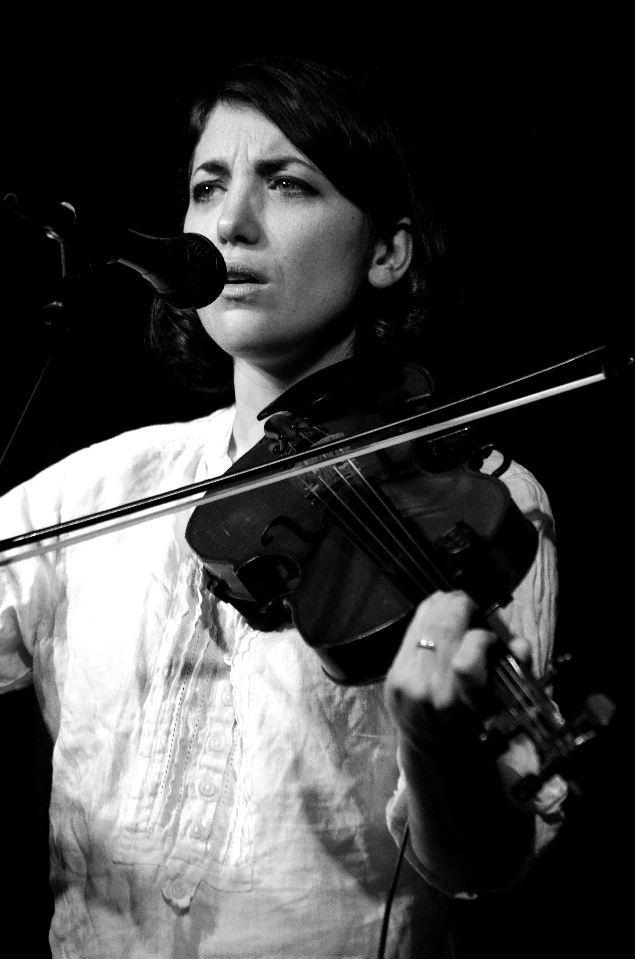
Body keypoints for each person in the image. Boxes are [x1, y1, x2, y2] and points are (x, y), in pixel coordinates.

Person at [0, 56, 565, 959]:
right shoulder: (96, 489)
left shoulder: (477, 498)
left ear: (385, 251)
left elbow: (482, 862)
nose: (231, 222)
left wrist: (440, 746)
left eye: (288, 183)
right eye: (207, 187)